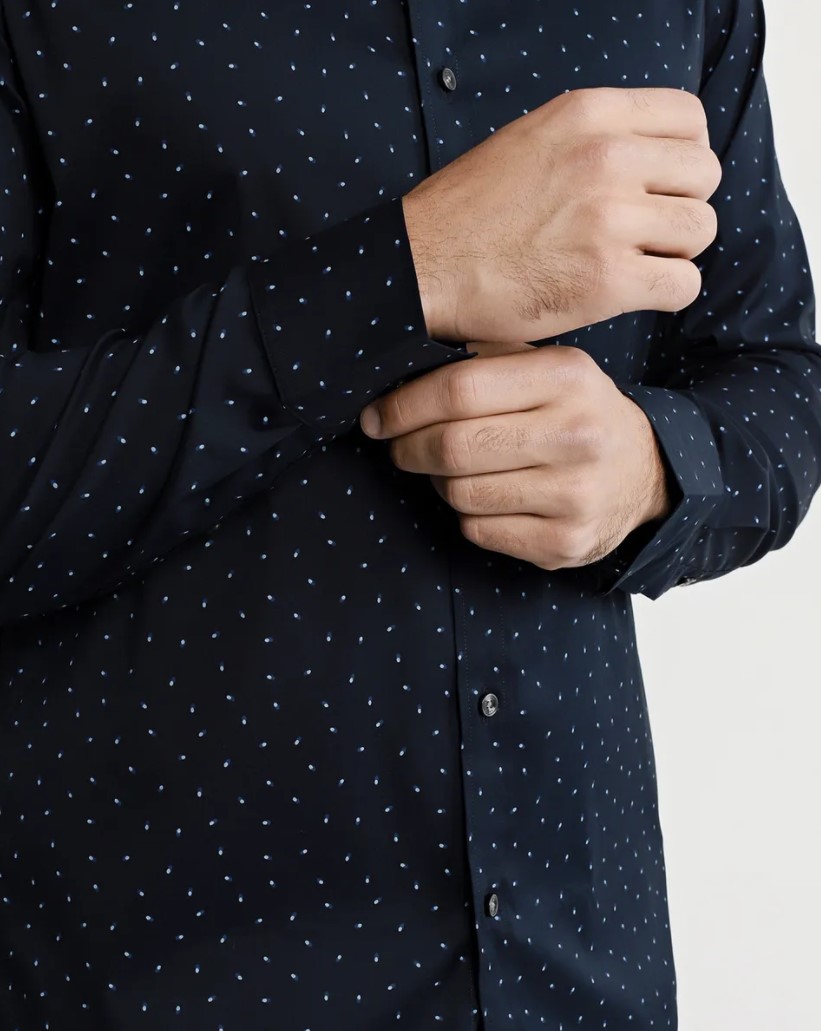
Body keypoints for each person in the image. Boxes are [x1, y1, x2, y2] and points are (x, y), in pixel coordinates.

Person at [0, 0, 817, 1027]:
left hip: (572, 973)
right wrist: (401, 274)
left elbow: (773, 376)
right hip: (159, 972)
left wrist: (649, 469)